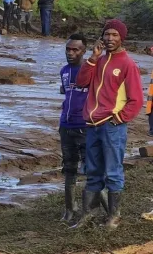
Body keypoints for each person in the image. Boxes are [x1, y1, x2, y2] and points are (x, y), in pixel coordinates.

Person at [74, 20, 143, 230]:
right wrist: (93, 58)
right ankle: (89, 215)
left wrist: (119, 119)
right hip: (92, 124)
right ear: (102, 37)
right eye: (107, 34)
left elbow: (136, 100)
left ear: (121, 38)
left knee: (113, 171)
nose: (110, 38)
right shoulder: (99, 61)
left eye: (114, 35)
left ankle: (114, 217)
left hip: (112, 126)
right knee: (93, 171)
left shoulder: (128, 64)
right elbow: (81, 82)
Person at [59, 34, 89, 222]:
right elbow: (65, 92)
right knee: (69, 168)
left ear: (83, 51)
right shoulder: (64, 71)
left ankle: (97, 212)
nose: (70, 53)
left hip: (85, 127)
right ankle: (70, 209)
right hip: (65, 126)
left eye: (75, 49)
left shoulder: (91, 71)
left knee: (91, 171)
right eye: (68, 49)